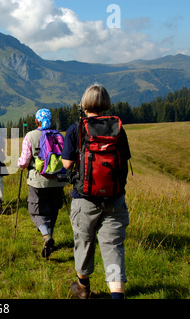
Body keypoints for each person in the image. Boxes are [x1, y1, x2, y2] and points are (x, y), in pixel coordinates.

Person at [61, 84, 131, 299]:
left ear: (84, 103)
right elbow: (124, 161)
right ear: (106, 104)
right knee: (113, 247)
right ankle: (116, 294)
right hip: (114, 197)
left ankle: (83, 288)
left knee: (83, 240)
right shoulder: (118, 129)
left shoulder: (77, 129)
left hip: (85, 197)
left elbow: (66, 164)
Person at [18, 108, 67, 258]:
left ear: (37, 121)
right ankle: (50, 235)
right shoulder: (58, 135)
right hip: (58, 180)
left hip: (37, 181)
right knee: (53, 209)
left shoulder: (30, 136)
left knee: (36, 209)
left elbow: (25, 161)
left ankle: (46, 235)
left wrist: (20, 165)